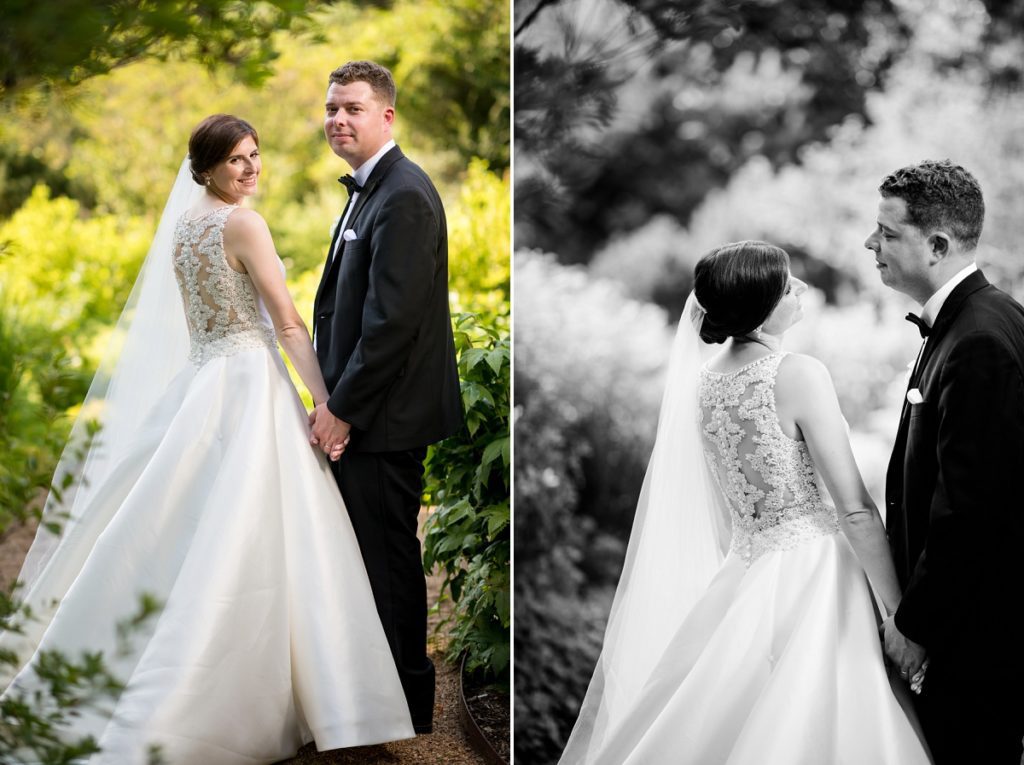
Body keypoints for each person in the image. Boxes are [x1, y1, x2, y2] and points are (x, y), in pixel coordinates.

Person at [0, 115, 415, 763]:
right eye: (234, 160)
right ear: (206, 168)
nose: (250, 168)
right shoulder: (244, 223)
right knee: (258, 531)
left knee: (190, 523)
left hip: (203, 380)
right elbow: (284, 323)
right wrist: (326, 400)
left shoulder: (185, 225)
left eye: (255, 155)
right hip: (250, 384)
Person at [558, 241, 931, 764]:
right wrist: (898, 617)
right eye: (786, 284)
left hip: (747, 566)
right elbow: (856, 511)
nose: (800, 288)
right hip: (814, 570)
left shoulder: (706, 380)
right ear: (760, 304)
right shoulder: (797, 373)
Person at [308, 60, 463, 734]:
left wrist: (341, 409)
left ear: (387, 117)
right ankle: (375, 696)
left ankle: (404, 705)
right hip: (370, 410)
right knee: (369, 556)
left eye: (354, 108)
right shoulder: (369, 189)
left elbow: (391, 324)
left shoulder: (403, 194)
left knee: (391, 560)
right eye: (333, 107)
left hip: (386, 417)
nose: (339, 119)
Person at [866, 160, 1024, 764]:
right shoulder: (968, 323)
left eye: (887, 231)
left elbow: (972, 506)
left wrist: (915, 624)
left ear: (937, 245)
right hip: (965, 629)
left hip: (974, 639)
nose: (870, 243)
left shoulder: (981, 336)